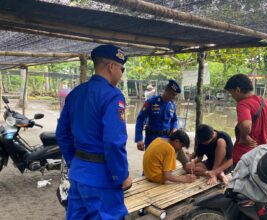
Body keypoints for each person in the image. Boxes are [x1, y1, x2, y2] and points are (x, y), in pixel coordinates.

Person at [56, 44, 132, 220]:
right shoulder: (113, 96)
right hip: (102, 179)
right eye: (122, 68)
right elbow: (113, 142)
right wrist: (122, 175)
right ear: (111, 67)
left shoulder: (76, 93)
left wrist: (74, 162)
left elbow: (62, 134)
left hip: (78, 174)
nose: (122, 73)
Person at [224, 74, 267, 164]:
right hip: (262, 153)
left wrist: (244, 137)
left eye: (231, 93)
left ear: (238, 90)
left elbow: (246, 125)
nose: (232, 97)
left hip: (245, 156)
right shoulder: (266, 103)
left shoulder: (243, 104)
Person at [135, 80, 181, 151]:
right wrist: (139, 139)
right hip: (152, 139)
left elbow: (174, 120)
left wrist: (175, 128)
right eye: (171, 94)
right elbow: (140, 119)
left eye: (174, 95)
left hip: (167, 140)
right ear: (166, 89)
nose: (172, 97)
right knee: (151, 161)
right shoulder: (151, 102)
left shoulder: (172, 105)